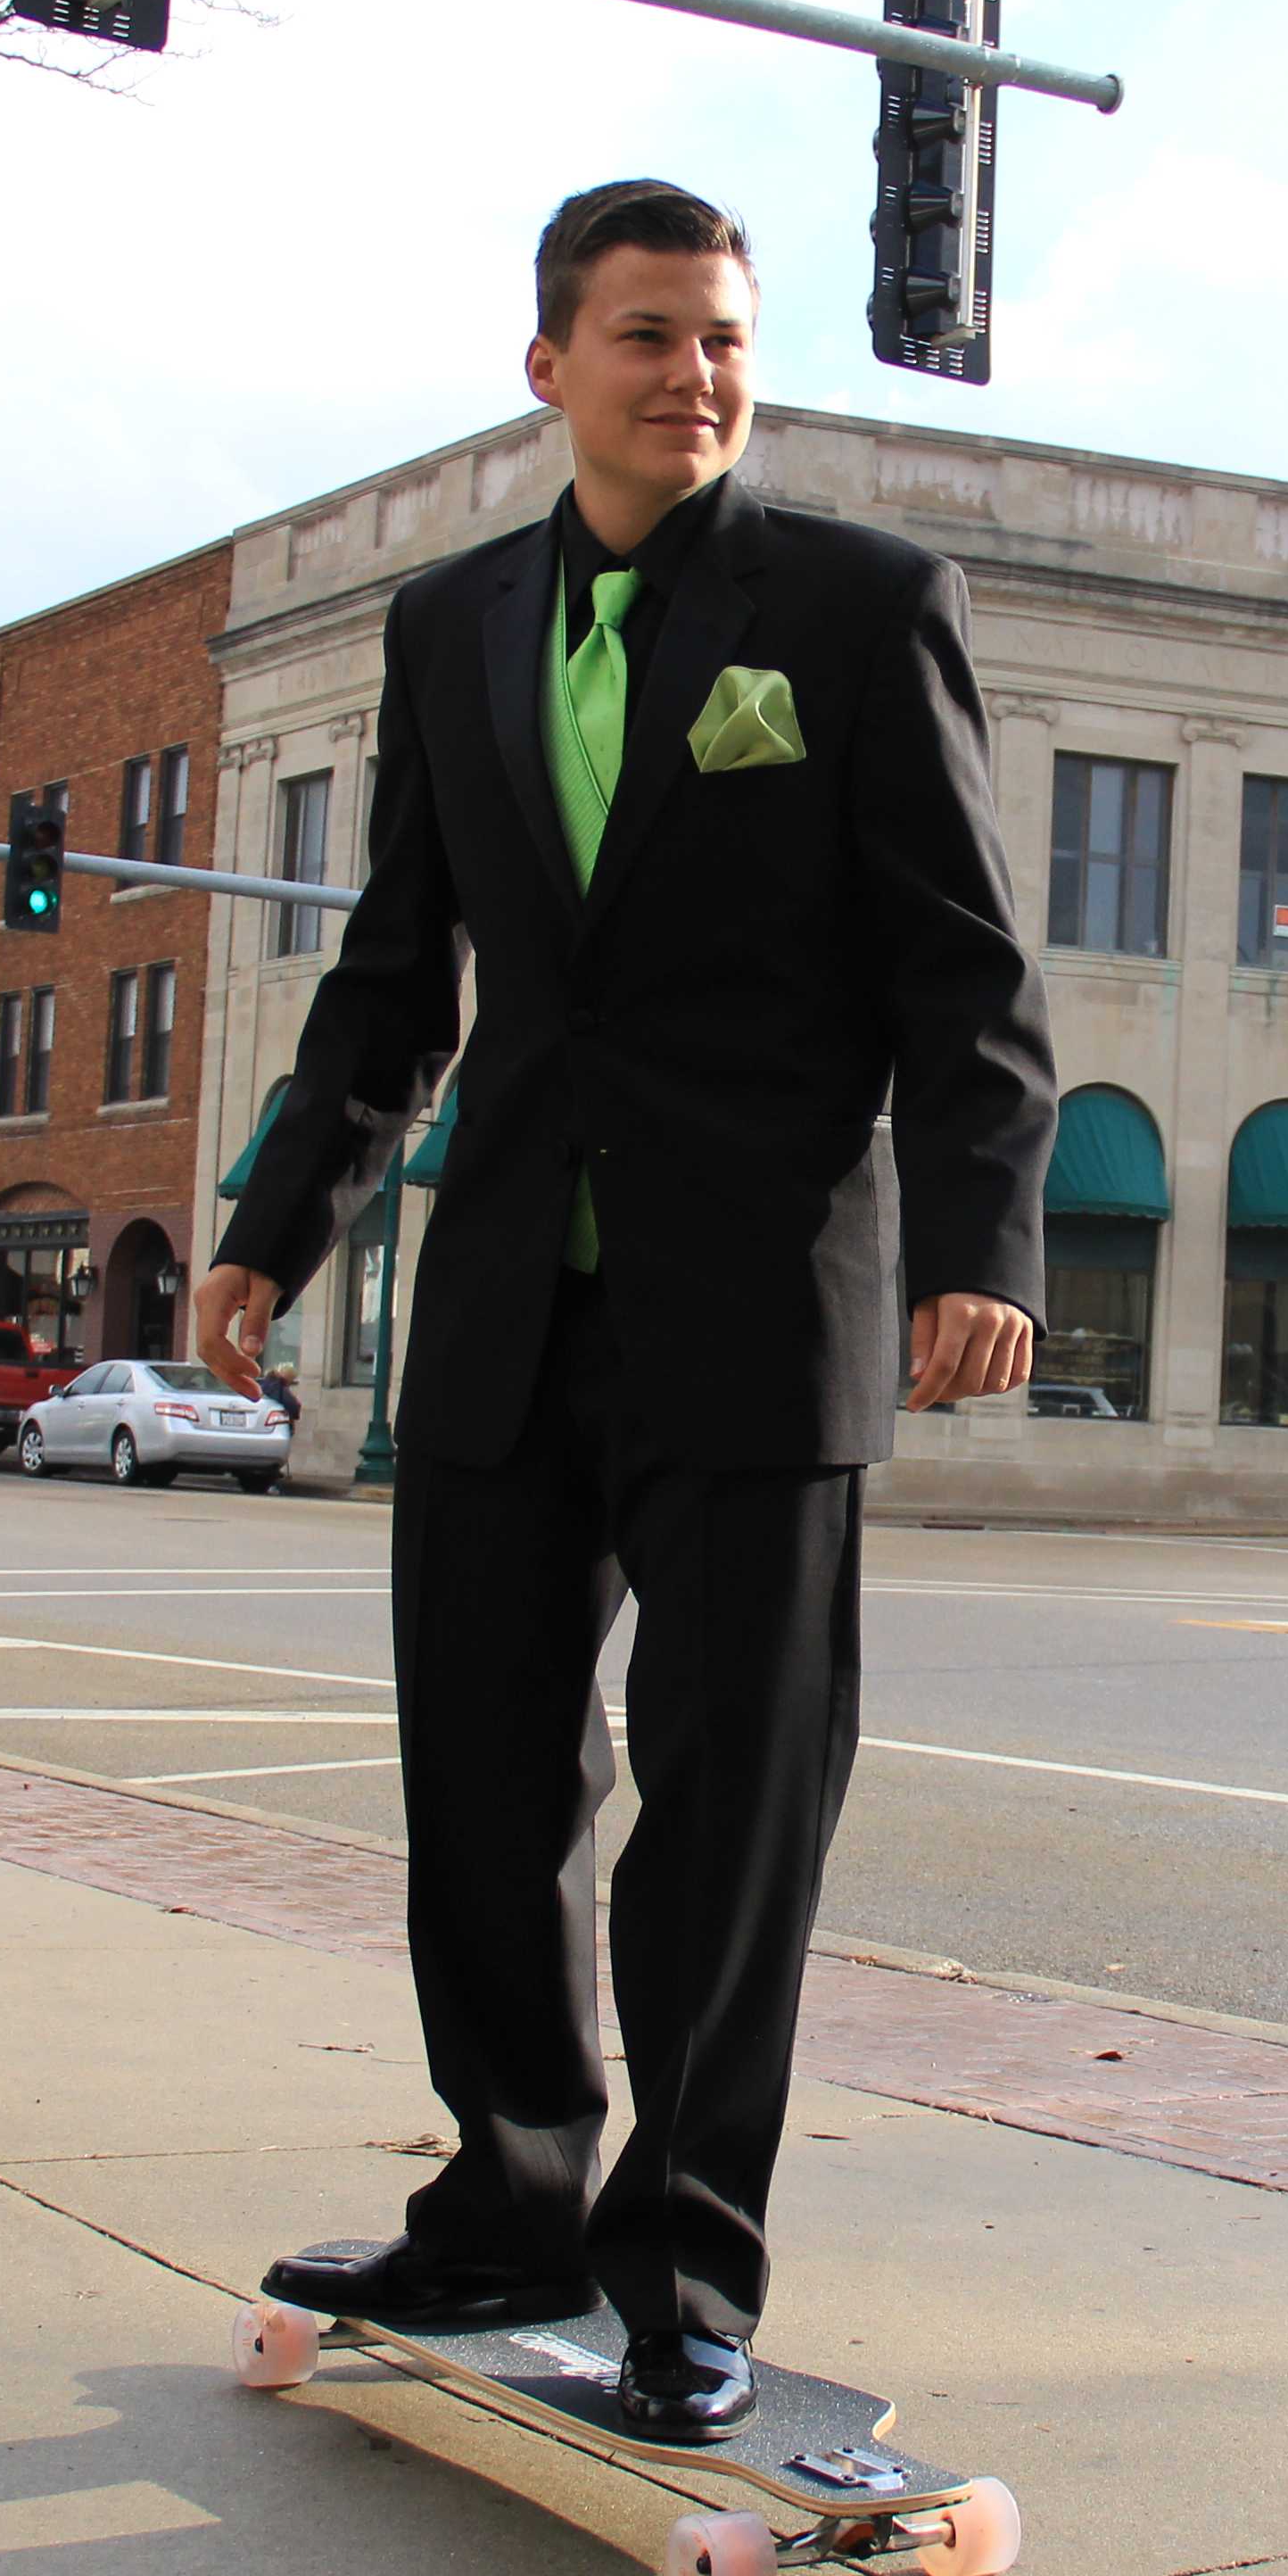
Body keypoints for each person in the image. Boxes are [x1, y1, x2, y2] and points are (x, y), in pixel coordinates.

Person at [194, 180, 1055, 2442]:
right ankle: (508, 2198)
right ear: (549, 364)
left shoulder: (863, 610)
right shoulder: (450, 621)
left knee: (733, 1806)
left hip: (764, 1305)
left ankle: (682, 2262)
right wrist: (275, 1222)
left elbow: (966, 962)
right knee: (482, 1787)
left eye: (724, 339)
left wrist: (983, 1241)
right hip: (504, 1297)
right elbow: (399, 968)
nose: (695, 372)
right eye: (651, 332)